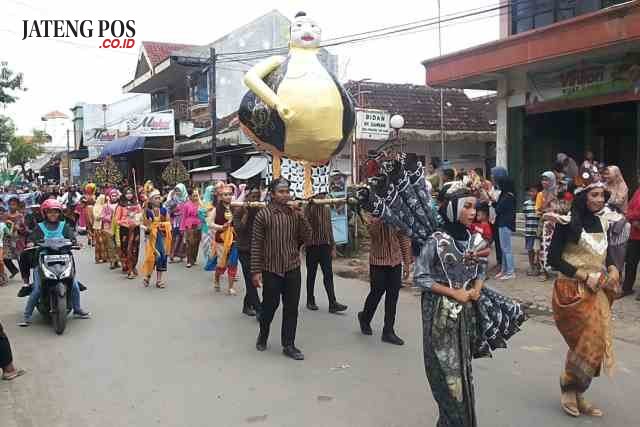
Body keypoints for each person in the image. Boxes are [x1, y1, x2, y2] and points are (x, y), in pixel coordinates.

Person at [548, 178, 622, 418]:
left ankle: (578, 391)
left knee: (596, 344)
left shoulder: (603, 222)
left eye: (602, 195)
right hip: (571, 291)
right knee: (585, 342)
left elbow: (608, 255)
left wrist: (613, 270)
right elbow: (554, 259)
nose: (600, 199)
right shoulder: (566, 222)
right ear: (583, 197)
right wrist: (583, 275)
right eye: (595, 195)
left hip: (597, 292)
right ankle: (569, 386)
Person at [414, 184, 484, 426]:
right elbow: (420, 276)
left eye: (474, 207)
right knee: (446, 373)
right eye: (467, 206)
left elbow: (481, 268)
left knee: (463, 373)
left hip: (464, 315)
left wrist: (477, 288)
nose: (473, 211)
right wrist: (453, 292)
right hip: (439, 315)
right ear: (453, 209)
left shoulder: (474, 238)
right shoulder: (437, 240)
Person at [251, 178, 311, 360]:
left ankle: (289, 344)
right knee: (270, 306)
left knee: (291, 308)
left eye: (287, 192)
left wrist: (300, 215)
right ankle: (263, 334)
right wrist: (255, 271)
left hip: (292, 266)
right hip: (271, 269)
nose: (285, 195)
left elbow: (308, 236)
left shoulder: (295, 214)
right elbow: (256, 244)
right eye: (281, 192)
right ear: (272, 194)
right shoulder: (263, 215)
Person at [19, 199, 91, 326]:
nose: (53, 215)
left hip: (64, 259)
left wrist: (75, 243)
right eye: (50, 212)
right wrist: (30, 242)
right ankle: (27, 316)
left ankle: (77, 309)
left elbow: (72, 238)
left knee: (74, 285)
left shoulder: (64, 226)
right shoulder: (39, 227)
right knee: (37, 289)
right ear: (45, 213)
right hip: (43, 260)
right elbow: (31, 239)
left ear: (59, 213)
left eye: (55, 212)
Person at [358, 212, 412, 346]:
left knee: (393, 296)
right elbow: (373, 233)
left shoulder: (397, 211)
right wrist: (381, 218)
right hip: (378, 261)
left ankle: (388, 331)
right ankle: (365, 317)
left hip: (395, 261)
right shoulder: (373, 212)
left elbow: (403, 237)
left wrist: (406, 262)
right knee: (376, 292)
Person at [304, 194, 347, 314]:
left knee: (328, 275)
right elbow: (307, 221)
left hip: (325, 246)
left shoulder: (327, 208)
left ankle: (332, 302)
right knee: (311, 274)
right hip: (312, 245)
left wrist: (333, 246)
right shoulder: (309, 207)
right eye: (320, 194)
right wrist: (312, 205)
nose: (322, 197)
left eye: (323, 194)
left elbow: (329, 228)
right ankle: (310, 300)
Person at [233, 187, 262, 317]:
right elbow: (239, 229)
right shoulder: (239, 211)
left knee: (254, 279)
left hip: (257, 249)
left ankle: (247, 305)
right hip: (243, 249)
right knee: (250, 279)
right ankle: (259, 309)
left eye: (257, 197)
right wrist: (245, 214)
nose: (255, 200)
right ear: (247, 197)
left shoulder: (261, 210)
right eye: (253, 197)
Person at [208, 184, 239, 294]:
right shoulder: (216, 209)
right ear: (220, 196)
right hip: (221, 240)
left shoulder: (235, 206)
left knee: (233, 262)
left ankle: (230, 287)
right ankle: (217, 279)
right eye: (225, 194)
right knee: (222, 264)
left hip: (234, 239)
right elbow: (210, 223)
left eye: (230, 194)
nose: (228, 197)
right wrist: (221, 227)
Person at [141, 190, 172, 288]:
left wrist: (162, 225)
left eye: (159, 198)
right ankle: (148, 276)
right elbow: (142, 224)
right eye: (156, 198)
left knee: (162, 256)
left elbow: (168, 222)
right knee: (152, 258)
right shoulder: (147, 211)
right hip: (151, 238)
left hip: (162, 236)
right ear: (150, 200)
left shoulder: (163, 210)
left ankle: (159, 280)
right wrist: (148, 227)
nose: (158, 200)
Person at [536, 171, 560, 281]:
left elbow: (562, 208)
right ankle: (543, 271)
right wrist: (548, 203)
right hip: (545, 225)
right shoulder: (540, 195)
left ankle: (559, 271)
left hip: (557, 224)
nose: (544, 182)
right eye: (543, 180)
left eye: (547, 180)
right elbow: (538, 210)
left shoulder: (558, 193)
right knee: (543, 247)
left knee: (557, 247)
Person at [492, 176, 516, 280]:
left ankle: (510, 271)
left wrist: (494, 203)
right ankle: (504, 270)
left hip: (505, 224)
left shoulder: (508, 197)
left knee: (506, 249)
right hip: (502, 223)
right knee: (503, 249)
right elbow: (496, 205)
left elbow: (498, 209)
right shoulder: (505, 195)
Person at [115, 188, 142, 279]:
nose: (129, 195)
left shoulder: (137, 204)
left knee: (135, 248)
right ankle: (128, 268)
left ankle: (133, 266)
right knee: (126, 248)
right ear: (124, 194)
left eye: (131, 193)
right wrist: (126, 222)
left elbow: (141, 216)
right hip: (125, 230)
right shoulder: (121, 205)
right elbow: (117, 219)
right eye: (127, 193)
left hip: (135, 229)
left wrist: (136, 220)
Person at [623, 173, 640, 298]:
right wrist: (632, 218)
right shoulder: (638, 191)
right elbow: (629, 209)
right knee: (631, 262)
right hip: (635, 234)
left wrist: (634, 217)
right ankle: (627, 288)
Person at [3, 196, 26, 281]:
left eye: (14, 204)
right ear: (8, 205)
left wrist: (18, 228)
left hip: (17, 239)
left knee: (19, 257)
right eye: (11, 204)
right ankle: (13, 270)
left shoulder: (20, 215)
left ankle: (24, 275)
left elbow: (23, 227)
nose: (12, 206)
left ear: (17, 205)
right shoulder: (5, 215)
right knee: (4, 256)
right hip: (7, 238)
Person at [165, 183, 187, 263]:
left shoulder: (186, 199)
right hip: (174, 221)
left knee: (182, 238)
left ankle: (181, 255)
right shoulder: (173, 199)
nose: (178, 192)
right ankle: (171, 255)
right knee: (173, 238)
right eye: (176, 191)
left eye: (179, 190)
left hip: (183, 221)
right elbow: (166, 207)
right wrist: (173, 211)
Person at [180, 189, 202, 268]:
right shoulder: (186, 205)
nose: (196, 197)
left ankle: (194, 259)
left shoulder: (200, 203)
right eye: (194, 196)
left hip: (199, 224)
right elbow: (183, 217)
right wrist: (182, 228)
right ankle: (189, 261)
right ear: (190, 196)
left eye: (197, 195)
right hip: (189, 225)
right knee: (190, 243)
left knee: (197, 242)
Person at [100, 189, 121, 270]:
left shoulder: (120, 205)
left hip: (118, 227)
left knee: (118, 244)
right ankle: (112, 261)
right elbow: (102, 216)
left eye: (115, 196)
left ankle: (117, 260)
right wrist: (109, 217)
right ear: (110, 197)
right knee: (110, 245)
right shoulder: (106, 206)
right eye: (113, 196)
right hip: (108, 227)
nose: (114, 197)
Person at [524, 184, 541, 276]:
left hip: (538, 232)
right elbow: (526, 217)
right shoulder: (526, 204)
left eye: (534, 191)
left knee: (538, 250)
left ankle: (538, 266)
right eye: (530, 191)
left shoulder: (541, 203)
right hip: (529, 230)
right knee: (530, 249)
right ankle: (532, 266)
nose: (532, 193)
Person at [92, 194, 107, 264]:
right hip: (98, 227)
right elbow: (96, 216)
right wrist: (103, 215)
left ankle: (105, 257)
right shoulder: (96, 207)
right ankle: (97, 258)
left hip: (105, 227)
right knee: (98, 243)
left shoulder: (106, 206)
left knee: (105, 243)